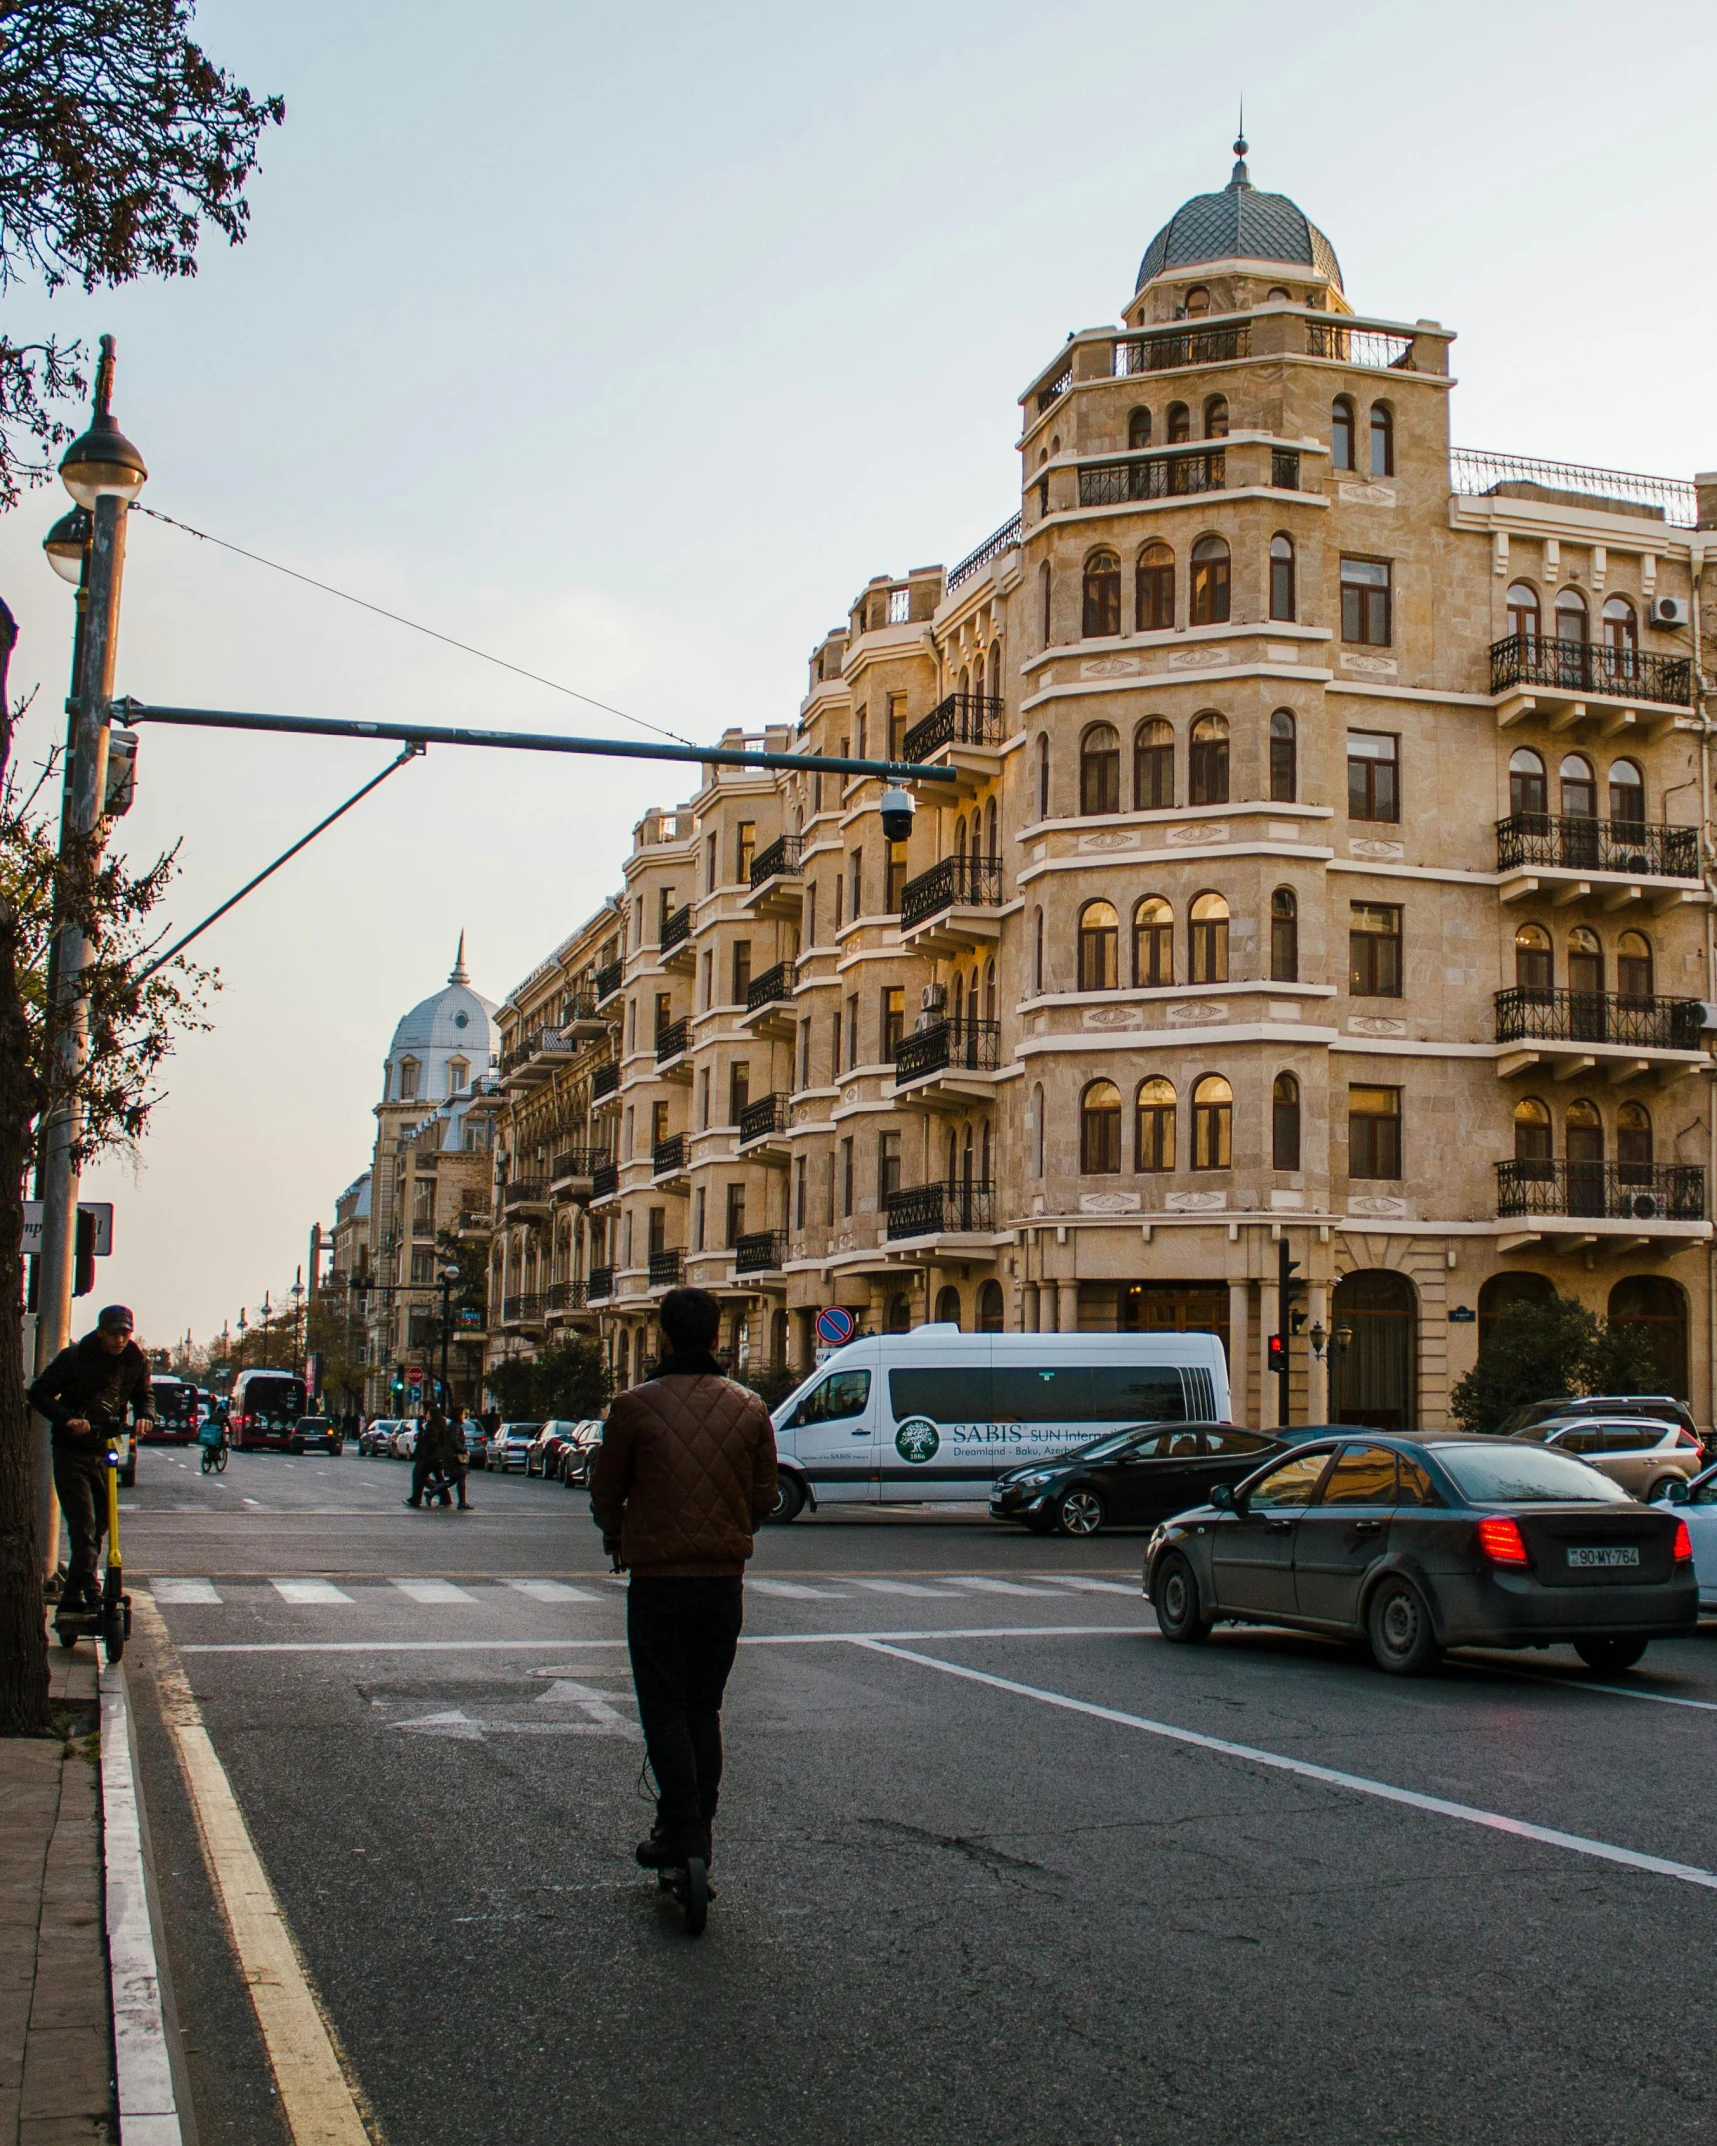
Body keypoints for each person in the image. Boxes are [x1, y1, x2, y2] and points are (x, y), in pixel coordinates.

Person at [590, 1287, 777, 1873]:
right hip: (723, 1583)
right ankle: (701, 1825)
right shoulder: (750, 1407)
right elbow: (765, 1498)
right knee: (704, 1709)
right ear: (718, 1338)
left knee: (664, 1706)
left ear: (663, 1338)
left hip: (658, 1582)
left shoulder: (633, 1406)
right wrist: (730, 1529)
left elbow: (605, 1493)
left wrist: (618, 1535)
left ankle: (682, 1826)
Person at [29, 1305, 154, 1610]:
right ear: (100, 1332)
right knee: (83, 1527)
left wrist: (145, 1416)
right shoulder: (74, 1358)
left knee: (100, 1525)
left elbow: (144, 1395)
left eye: (125, 1333)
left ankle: (72, 1595)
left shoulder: (135, 1360)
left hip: (104, 1449)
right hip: (71, 1451)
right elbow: (39, 1393)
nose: (119, 1340)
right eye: (114, 1333)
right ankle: (92, 1588)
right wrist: (67, 1419)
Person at [406, 1410, 455, 1508]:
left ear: (433, 1415)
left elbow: (432, 1442)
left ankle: (416, 1500)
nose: (426, 1415)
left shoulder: (433, 1427)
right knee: (439, 1478)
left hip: (431, 1458)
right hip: (435, 1458)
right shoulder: (434, 1426)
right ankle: (445, 1498)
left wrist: (425, 1452)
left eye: (428, 1414)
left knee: (419, 1476)